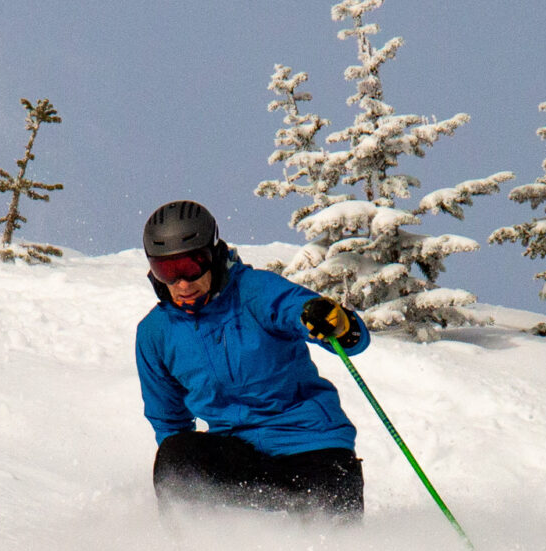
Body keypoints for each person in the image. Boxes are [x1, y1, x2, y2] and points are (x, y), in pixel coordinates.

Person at [134, 200, 370, 518]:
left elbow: (300, 311)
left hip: (312, 445)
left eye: (191, 266)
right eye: (168, 272)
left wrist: (334, 322)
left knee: (332, 548)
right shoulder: (156, 332)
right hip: (240, 457)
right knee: (175, 458)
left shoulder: (255, 291)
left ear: (213, 255)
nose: (183, 284)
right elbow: (169, 422)